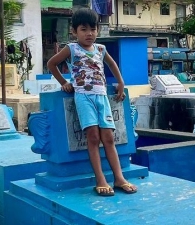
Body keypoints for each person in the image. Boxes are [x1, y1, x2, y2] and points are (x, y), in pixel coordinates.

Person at [47, 8, 137, 196]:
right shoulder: (71, 49)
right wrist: (64, 82)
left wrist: (120, 82)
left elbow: (112, 64)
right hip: (83, 97)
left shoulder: (101, 49)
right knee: (94, 137)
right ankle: (100, 179)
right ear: (74, 32)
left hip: (102, 96)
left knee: (109, 138)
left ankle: (119, 178)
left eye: (93, 29)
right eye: (84, 29)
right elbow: (52, 64)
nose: (89, 33)